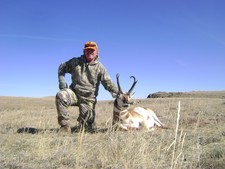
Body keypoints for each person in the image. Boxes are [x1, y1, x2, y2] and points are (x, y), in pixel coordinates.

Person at [55, 41, 118, 133]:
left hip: (88, 99)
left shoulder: (100, 68)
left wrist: (117, 93)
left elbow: (108, 82)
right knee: (61, 95)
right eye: (87, 50)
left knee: (86, 129)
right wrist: (61, 81)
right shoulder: (75, 62)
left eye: (92, 50)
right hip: (74, 94)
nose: (90, 52)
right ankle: (64, 127)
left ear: (97, 52)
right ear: (84, 51)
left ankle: (88, 124)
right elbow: (62, 67)